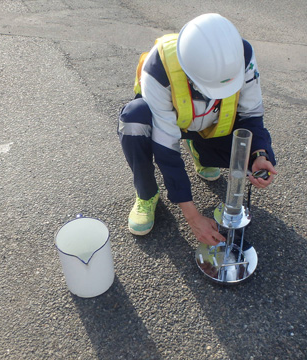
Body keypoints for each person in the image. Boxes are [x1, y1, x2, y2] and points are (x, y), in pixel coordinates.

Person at [118, 13, 277, 246]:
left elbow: (251, 115)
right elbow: (166, 149)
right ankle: (146, 193)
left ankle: (201, 151)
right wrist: (192, 217)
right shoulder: (159, 67)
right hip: (172, 123)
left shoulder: (241, 56)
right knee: (134, 120)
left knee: (249, 158)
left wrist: (259, 154)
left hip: (212, 125)